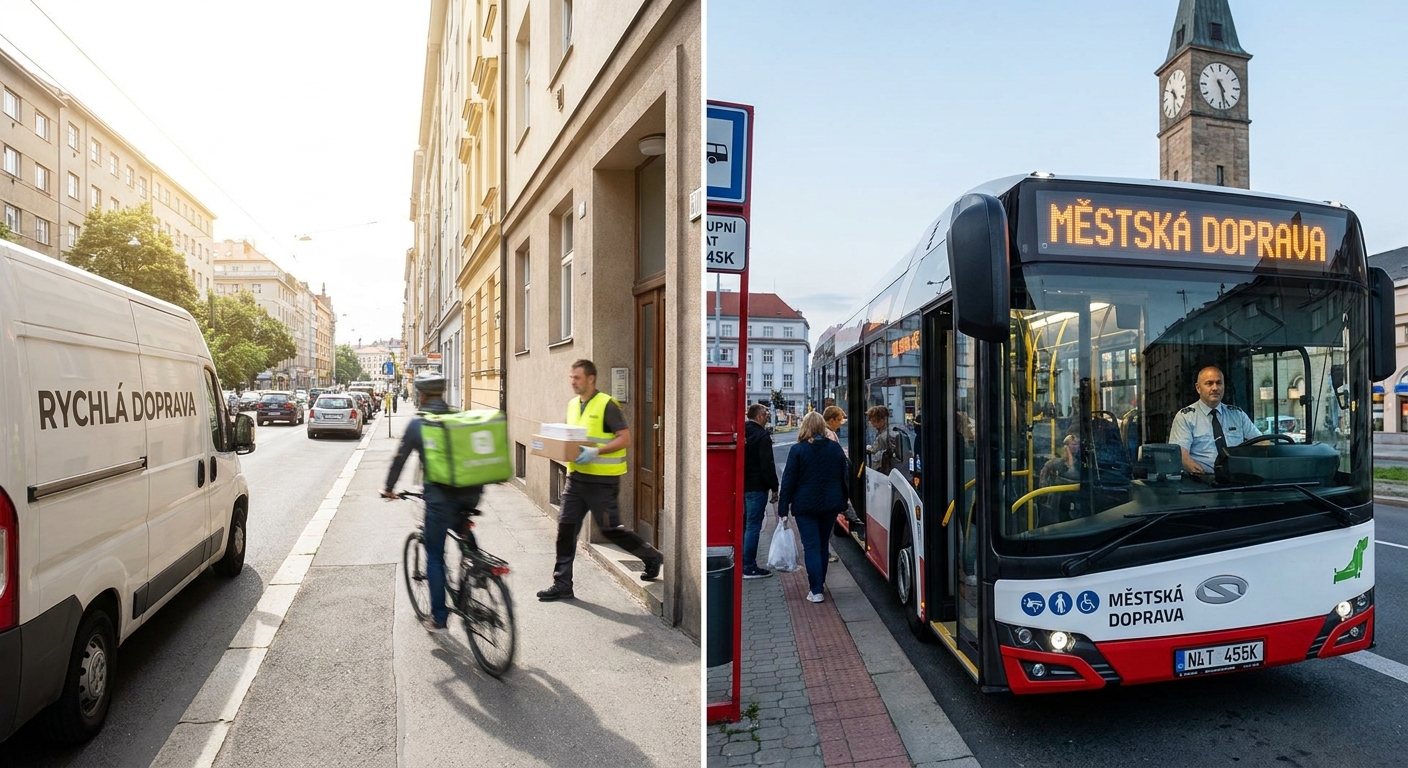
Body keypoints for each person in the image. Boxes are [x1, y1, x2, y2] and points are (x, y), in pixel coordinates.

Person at [537, 359, 664, 601]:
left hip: (603, 483)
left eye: (577, 378)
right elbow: (573, 436)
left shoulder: (607, 405)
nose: (572, 382)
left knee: (609, 530)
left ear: (591, 379)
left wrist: (596, 451)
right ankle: (562, 583)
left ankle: (651, 556)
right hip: (576, 480)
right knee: (566, 529)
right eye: (571, 377)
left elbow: (625, 439)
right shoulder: (573, 404)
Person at [380, 371, 482, 633]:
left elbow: (400, 459)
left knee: (435, 556)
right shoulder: (458, 417)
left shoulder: (419, 424)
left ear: (421, 395)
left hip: (439, 500)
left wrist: (389, 488)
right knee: (463, 530)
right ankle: (478, 568)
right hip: (470, 494)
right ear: (442, 394)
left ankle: (439, 617)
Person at [777, 411, 850, 603]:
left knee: (811, 546)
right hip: (830, 505)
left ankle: (816, 590)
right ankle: (820, 584)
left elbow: (788, 482)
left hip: (805, 506)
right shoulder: (835, 448)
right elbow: (844, 476)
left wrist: (783, 510)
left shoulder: (798, 450)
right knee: (823, 544)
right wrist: (844, 500)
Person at [1169, 365, 1260, 476]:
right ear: (1198, 388)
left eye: (1219, 383)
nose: (1215, 388)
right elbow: (1180, 453)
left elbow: (1260, 441)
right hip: (1202, 482)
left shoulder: (1237, 415)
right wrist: (1197, 472)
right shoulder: (1185, 417)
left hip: (1237, 479)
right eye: (1209, 383)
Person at [742, 403, 779, 579]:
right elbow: (767, 464)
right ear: (758, 417)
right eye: (765, 415)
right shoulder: (762, 436)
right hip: (756, 487)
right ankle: (749, 566)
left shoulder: (742, 431)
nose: (767, 417)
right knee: (753, 526)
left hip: (741, 485)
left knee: (744, 525)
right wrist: (774, 487)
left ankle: (741, 561)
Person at [822, 405, 858, 561]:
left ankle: (824, 553)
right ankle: (825, 554)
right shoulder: (829, 434)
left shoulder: (826, 433)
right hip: (829, 486)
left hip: (825, 487)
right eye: (839, 421)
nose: (840, 425)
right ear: (831, 420)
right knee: (824, 526)